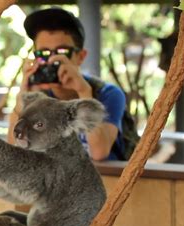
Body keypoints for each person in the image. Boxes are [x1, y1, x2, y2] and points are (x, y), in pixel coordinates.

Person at [8, 7, 127, 161]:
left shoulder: (108, 94)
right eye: (43, 53)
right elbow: (14, 152)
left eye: (62, 52)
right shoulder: (39, 97)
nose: (52, 60)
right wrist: (23, 103)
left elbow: (99, 153)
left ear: (81, 56)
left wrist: (84, 93)